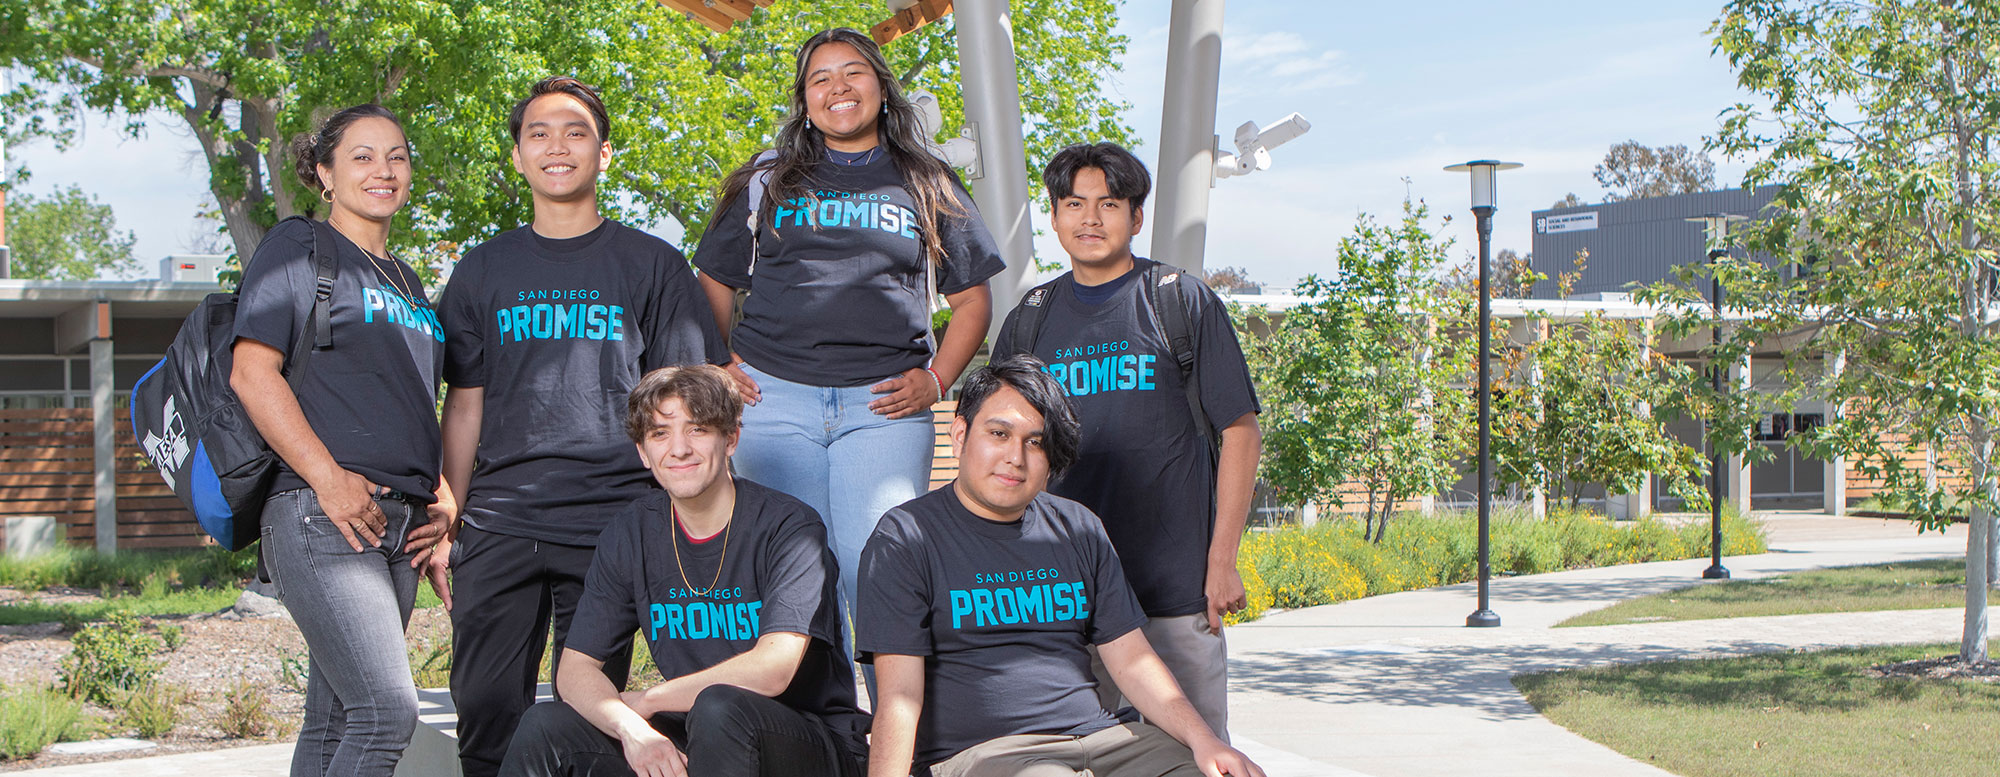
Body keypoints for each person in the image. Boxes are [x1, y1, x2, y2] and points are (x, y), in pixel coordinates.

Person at [433, 76, 729, 777]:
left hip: (614, 517)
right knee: (483, 704)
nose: (556, 147)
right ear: (517, 157)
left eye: (575, 133)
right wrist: (451, 509)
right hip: (501, 518)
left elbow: (688, 398)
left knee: (589, 715)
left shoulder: (652, 263)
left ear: (605, 154)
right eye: (538, 133)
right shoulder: (482, 270)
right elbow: (465, 402)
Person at [689, 27, 1006, 655]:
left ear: (882, 88)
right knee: (795, 576)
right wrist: (718, 364)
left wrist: (937, 380)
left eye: (853, 72)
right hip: (772, 402)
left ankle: (897, 735)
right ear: (804, 100)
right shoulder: (766, 179)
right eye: (820, 78)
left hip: (883, 406)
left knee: (878, 565)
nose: (839, 88)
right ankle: (824, 738)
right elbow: (712, 285)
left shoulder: (927, 180)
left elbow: (973, 303)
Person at [857, 356, 1265, 777]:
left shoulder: (1078, 528)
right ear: (960, 435)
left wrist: (1206, 741)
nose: (1015, 457)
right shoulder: (906, 539)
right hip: (991, 755)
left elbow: (1134, 661)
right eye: (999, 434)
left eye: (1035, 442)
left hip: (1104, 741)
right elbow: (899, 698)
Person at [992, 142, 1262, 740]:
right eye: (1074, 204)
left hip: (1175, 587)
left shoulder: (1179, 300)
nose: (1090, 219)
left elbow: (1240, 432)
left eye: (1109, 204)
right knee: (1081, 751)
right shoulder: (1030, 319)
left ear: (1136, 218)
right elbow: (999, 453)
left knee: (1192, 751)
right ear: (1055, 216)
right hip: (1064, 594)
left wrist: (1222, 560)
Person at [498, 365, 869, 777]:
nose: (679, 449)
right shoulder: (632, 532)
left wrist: (652, 699)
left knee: (719, 706)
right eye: (660, 433)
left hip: (807, 742)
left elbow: (772, 670)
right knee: (545, 727)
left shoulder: (789, 528)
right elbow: (575, 670)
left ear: (731, 439)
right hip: (698, 733)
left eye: (697, 430)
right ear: (643, 451)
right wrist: (633, 730)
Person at [231, 104, 451, 777]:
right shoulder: (299, 245)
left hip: (400, 525)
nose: (383, 170)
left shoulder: (407, 280)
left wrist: (442, 501)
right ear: (324, 173)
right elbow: (252, 370)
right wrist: (328, 477)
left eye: (396, 156)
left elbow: (410, 398)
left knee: (334, 722)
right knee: (388, 710)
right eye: (362, 156)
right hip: (323, 513)